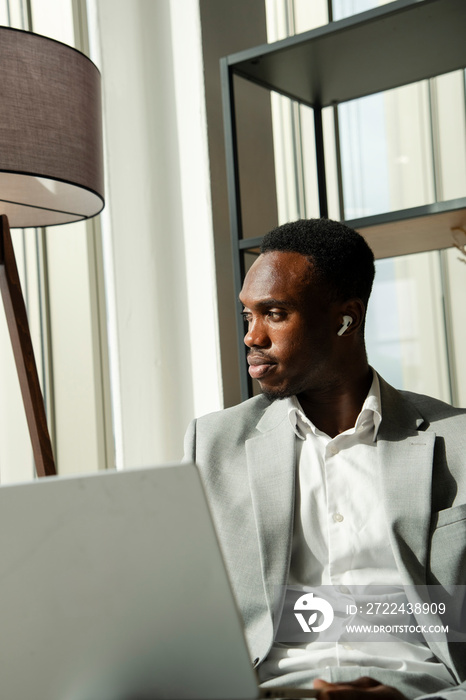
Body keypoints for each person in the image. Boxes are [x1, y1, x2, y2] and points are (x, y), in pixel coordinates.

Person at [183, 218, 466, 700]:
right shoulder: (213, 443)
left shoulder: (456, 440)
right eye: (247, 316)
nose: (252, 337)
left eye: (274, 313)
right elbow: (183, 612)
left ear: (346, 319)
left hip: (419, 691)